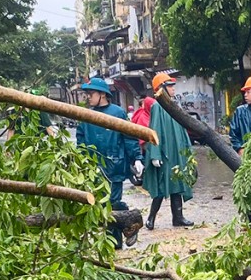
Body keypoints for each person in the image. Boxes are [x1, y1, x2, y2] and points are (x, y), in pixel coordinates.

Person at [75, 77, 143, 248]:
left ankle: (117, 240)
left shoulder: (118, 113)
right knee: (100, 204)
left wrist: (137, 158)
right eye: (87, 94)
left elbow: (129, 138)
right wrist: (79, 163)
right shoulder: (86, 116)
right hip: (93, 168)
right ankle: (121, 229)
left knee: (112, 203)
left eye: (90, 94)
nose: (88, 97)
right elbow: (80, 142)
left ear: (102, 94)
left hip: (115, 166)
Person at [142, 74, 194, 230]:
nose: (173, 88)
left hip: (177, 153)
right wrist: (155, 154)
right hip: (165, 153)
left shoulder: (175, 105)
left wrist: (187, 151)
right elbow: (155, 130)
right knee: (161, 186)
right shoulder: (158, 107)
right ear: (162, 88)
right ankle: (151, 218)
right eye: (170, 86)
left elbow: (182, 131)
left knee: (177, 185)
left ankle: (178, 218)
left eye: (172, 86)